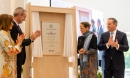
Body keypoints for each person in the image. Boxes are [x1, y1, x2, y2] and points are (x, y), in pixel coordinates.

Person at [10, 7, 41, 78]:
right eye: (24, 17)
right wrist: (31, 38)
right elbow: (19, 42)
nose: (24, 19)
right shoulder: (13, 26)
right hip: (15, 57)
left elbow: (21, 41)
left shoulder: (16, 26)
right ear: (20, 15)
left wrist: (32, 38)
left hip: (18, 58)